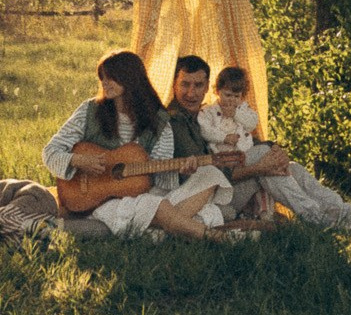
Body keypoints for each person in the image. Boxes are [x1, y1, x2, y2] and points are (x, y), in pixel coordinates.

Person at [42, 49, 233, 240]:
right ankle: (213, 236)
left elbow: (161, 180)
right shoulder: (89, 111)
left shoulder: (158, 121)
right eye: (103, 78)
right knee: (157, 206)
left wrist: (181, 171)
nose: (104, 83)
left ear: (130, 79)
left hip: (142, 194)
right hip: (101, 199)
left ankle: (159, 228)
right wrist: (77, 160)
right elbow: (50, 152)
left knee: (210, 174)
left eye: (111, 78)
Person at [167, 56, 351, 231]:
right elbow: (208, 177)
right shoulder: (176, 122)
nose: (191, 93)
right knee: (265, 160)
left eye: (198, 85)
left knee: (292, 169)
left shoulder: (207, 113)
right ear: (174, 84)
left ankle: (350, 216)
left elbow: (244, 139)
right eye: (185, 84)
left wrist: (274, 149)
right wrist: (260, 166)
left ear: (207, 87)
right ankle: (318, 219)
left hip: (228, 187)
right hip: (210, 200)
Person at [198, 67, 262, 154]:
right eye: (228, 95)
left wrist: (236, 114)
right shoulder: (209, 111)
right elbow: (205, 130)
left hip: (244, 153)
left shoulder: (243, 108)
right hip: (218, 155)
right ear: (217, 91)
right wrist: (224, 138)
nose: (232, 99)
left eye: (236, 96)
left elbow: (252, 124)